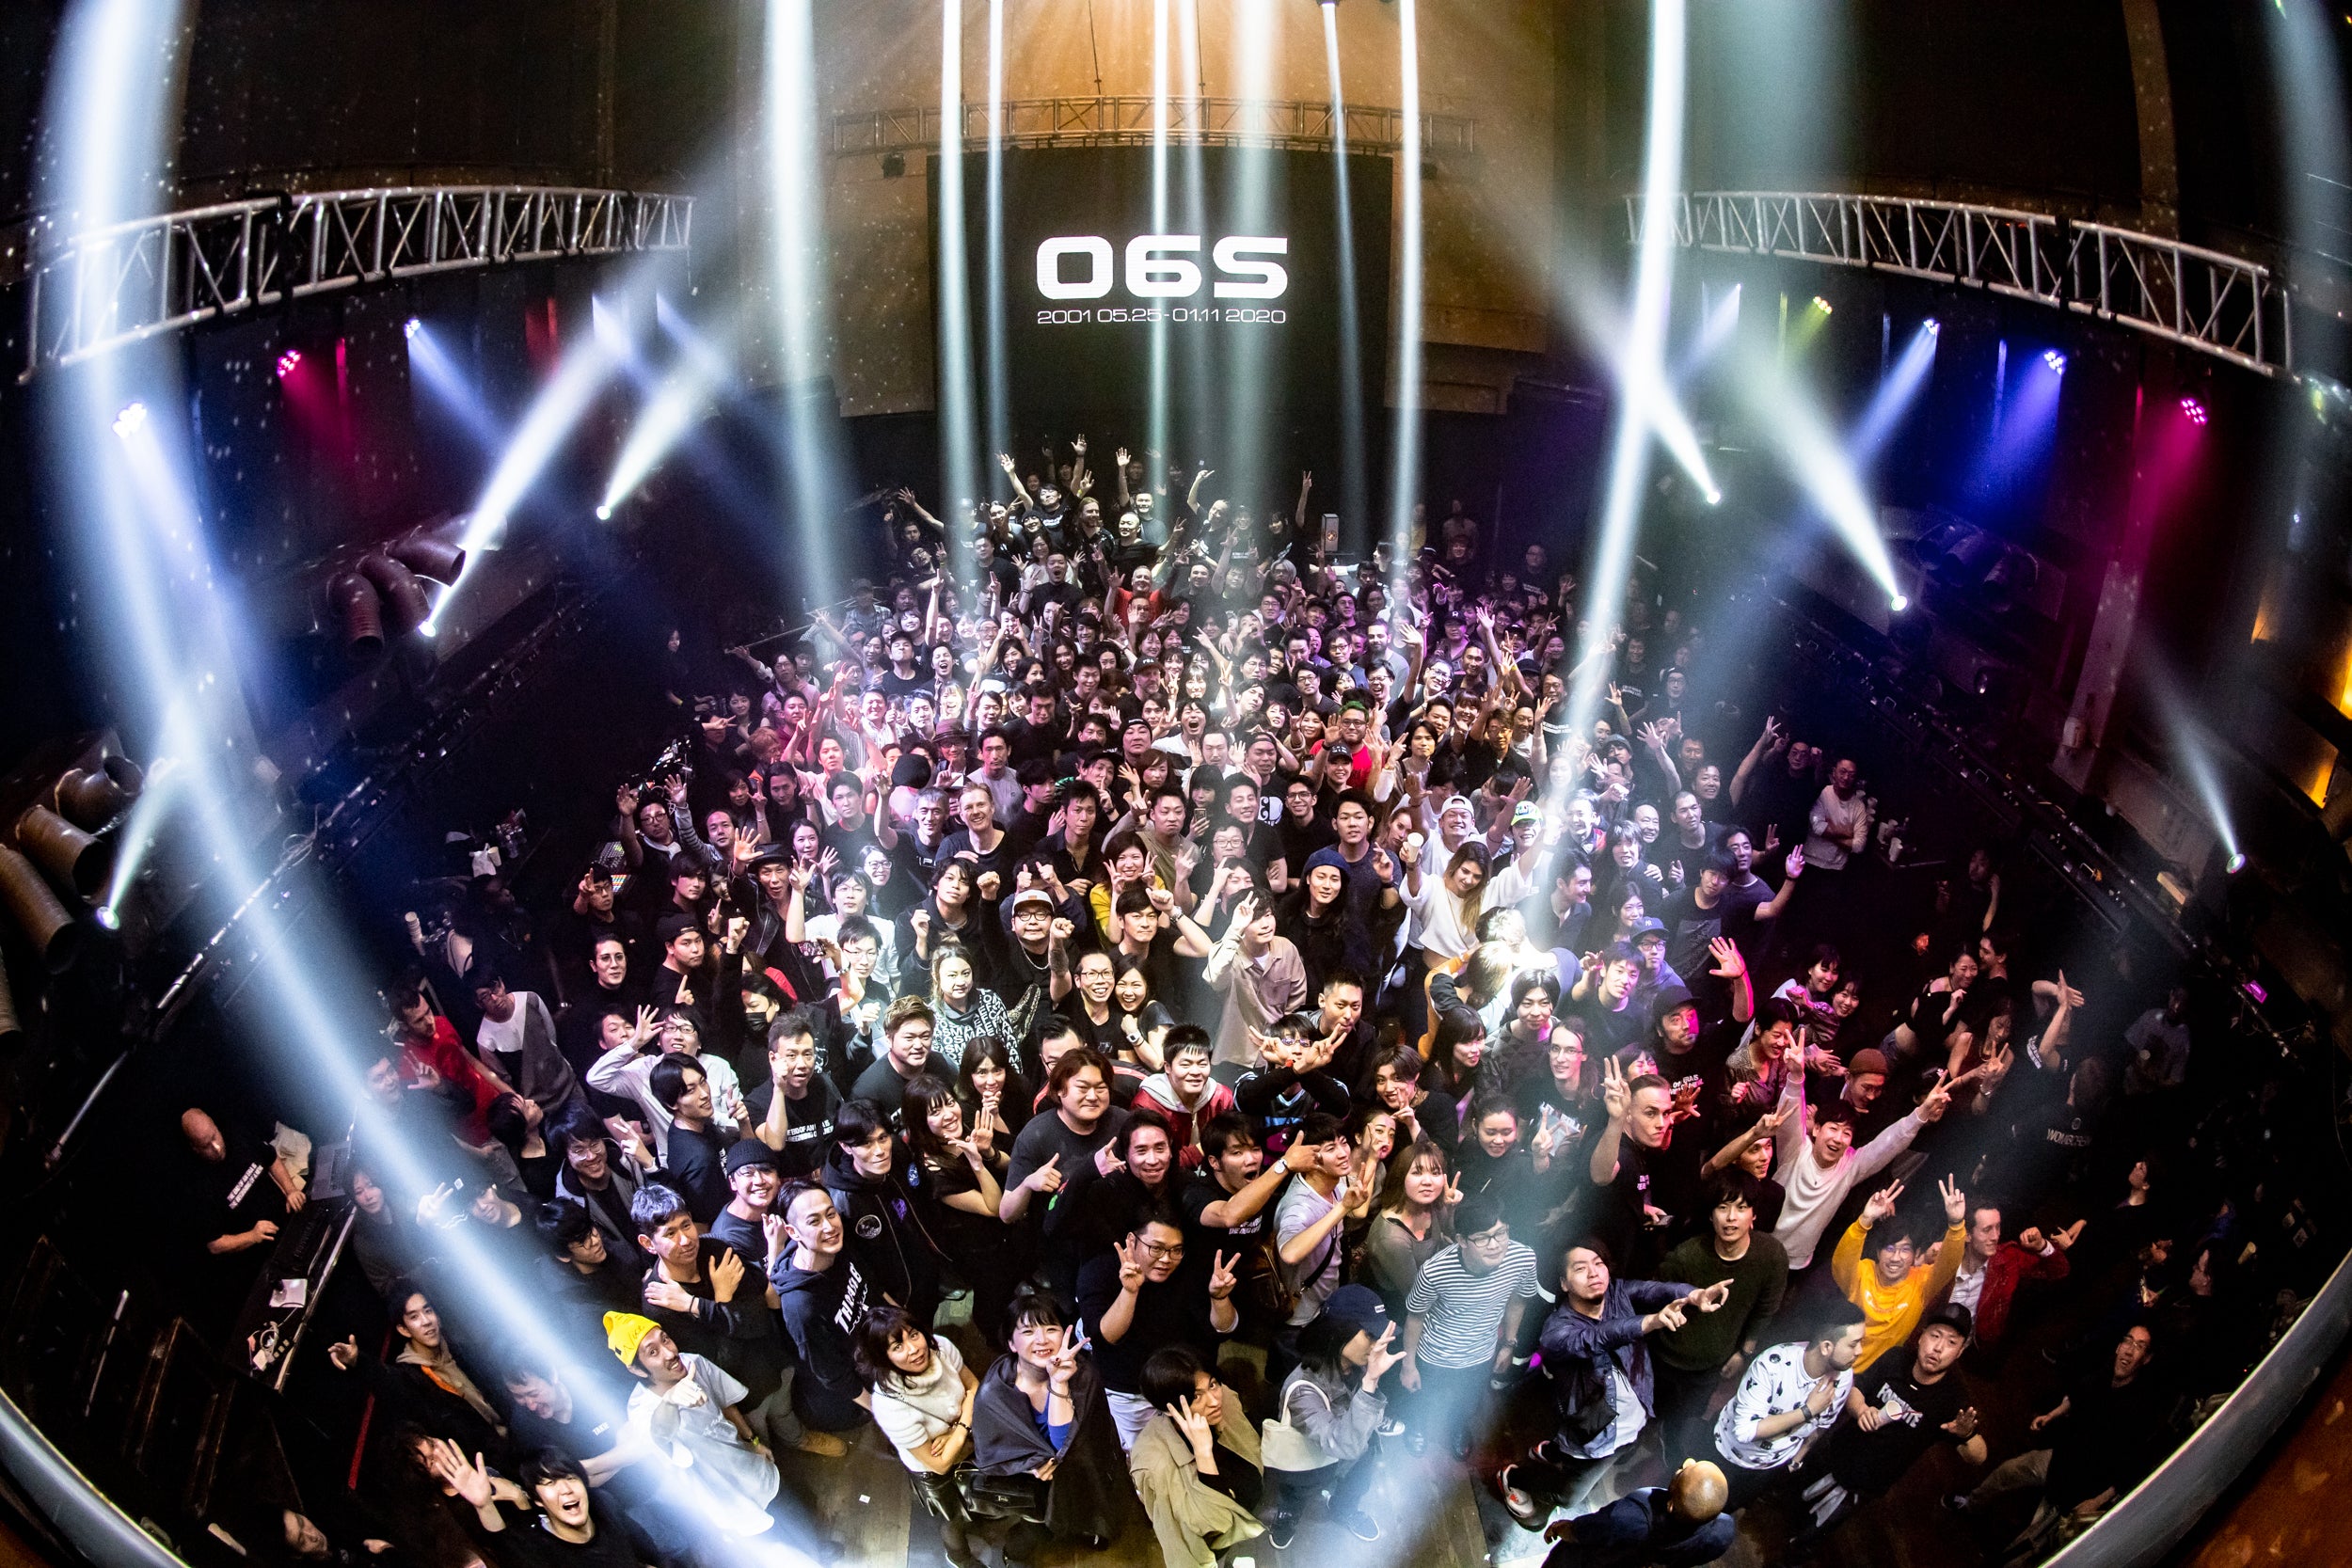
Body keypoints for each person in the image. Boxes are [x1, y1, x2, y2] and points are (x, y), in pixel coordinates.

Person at [1499, 1241, 1731, 1528]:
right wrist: (1649, 1322)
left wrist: (1694, 1295)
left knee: (1573, 1461)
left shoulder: (1618, 1292)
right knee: (1569, 1496)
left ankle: (1549, 1453)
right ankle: (1515, 1477)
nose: (1594, 1273)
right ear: (1564, 1283)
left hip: (1633, 1421)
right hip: (1592, 1433)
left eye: (1599, 1263)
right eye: (1580, 1268)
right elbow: (1597, 1338)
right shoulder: (1557, 1331)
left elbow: (1654, 1290)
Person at [1948, 1325, 2164, 1556]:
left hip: (2077, 1491)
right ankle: (1971, 1504)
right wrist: (2051, 1415)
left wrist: (2095, 1502)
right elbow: (2078, 1394)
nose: (2129, 1350)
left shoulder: (2139, 1409)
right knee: (2007, 1472)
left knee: (2027, 1547)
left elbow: (2132, 1467)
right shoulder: (2104, 1375)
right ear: (2118, 1347)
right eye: (2128, 1341)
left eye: (2139, 1346)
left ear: (2146, 1358)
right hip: (2059, 1459)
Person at [1790, 1302, 1985, 1550]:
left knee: (1810, 1536)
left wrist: (1966, 1434)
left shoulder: (1952, 1400)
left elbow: (1979, 1456)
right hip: (1835, 1452)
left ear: (1960, 1351)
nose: (1938, 1348)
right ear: (1922, 1336)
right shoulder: (1896, 1358)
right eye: (1935, 1336)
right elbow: (1856, 1389)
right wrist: (1861, 1410)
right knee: (1793, 1501)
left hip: (1864, 1485)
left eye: (1951, 1342)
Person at [971, 1285, 1144, 1560]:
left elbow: (1070, 1445)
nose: (1042, 1340)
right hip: (1031, 1485)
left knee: (1087, 1508)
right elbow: (991, 1452)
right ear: (1012, 1343)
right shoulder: (995, 1391)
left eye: (1051, 1329)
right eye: (1028, 1332)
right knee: (1036, 1532)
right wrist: (1028, 1466)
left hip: (1080, 1473)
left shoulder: (1083, 1375)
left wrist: (1059, 1382)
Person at [603, 1313, 780, 1539]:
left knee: (798, 1517)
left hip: (752, 1470)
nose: (670, 1353)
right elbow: (659, 1435)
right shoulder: (640, 1409)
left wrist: (753, 1442)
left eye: (665, 1339)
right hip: (728, 1504)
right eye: (653, 1352)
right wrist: (669, 1402)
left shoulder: (692, 1363)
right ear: (637, 1369)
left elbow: (726, 1404)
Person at [1653, 1174, 1791, 1463]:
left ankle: (1670, 1440)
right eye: (1723, 1207)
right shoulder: (1687, 1256)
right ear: (1711, 1216)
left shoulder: (1771, 1256)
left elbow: (1766, 1309)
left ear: (1754, 1215)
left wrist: (1744, 1352)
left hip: (1712, 1364)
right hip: (1668, 1358)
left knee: (1687, 1414)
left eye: (1741, 1208)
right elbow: (1654, 1294)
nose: (1731, 1218)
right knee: (1653, 1408)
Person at [1079, 1212, 1242, 1449]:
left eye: (1176, 1250)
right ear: (1132, 1240)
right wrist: (1130, 1292)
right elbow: (1105, 1338)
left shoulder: (1192, 1270)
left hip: (1192, 1390)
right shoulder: (1100, 1271)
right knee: (1145, 1454)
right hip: (1132, 1393)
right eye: (1156, 1248)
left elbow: (1223, 1330)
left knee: (1203, 1450)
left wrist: (1219, 1298)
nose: (1166, 1259)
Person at [1401, 1193, 1542, 1457]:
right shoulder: (1434, 1272)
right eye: (1482, 1238)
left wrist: (1508, 1344)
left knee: (1468, 1399)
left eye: (1501, 1233)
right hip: (1435, 1354)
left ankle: (1458, 1428)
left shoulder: (1523, 1258)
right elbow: (1415, 1317)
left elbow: (1518, 1300)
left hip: (1481, 1353)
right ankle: (1416, 1427)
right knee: (1421, 1396)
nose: (1495, 1245)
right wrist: (1408, 1366)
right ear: (1462, 1240)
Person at [1263, 1286, 1404, 1545]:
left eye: (1381, 1336)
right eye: (1370, 1335)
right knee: (1296, 1492)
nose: (1377, 1345)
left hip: (1358, 1449)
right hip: (1312, 1459)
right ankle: (1289, 1515)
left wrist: (1371, 1382)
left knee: (1357, 1483)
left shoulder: (1360, 1364)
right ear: (1340, 1330)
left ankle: (1344, 1509)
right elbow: (1341, 1444)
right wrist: (1370, 1382)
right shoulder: (1303, 1388)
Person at [856, 1305, 984, 1568]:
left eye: (913, 1335)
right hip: (935, 1471)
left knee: (977, 1494)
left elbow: (974, 1386)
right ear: (882, 1358)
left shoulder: (941, 1347)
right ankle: (959, 1558)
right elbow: (939, 1463)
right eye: (897, 1346)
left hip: (968, 1443)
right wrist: (964, 1424)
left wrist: (955, 1433)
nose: (914, 1348)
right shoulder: (890, 1404)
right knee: (952, 1518)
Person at [1712, 1305, 1868, 1511]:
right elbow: (1745, 1431)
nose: (1860, 1351)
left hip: (1768, 1469)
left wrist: (1796, 1461)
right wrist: (1807, 1411)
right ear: (1826, 1347)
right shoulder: (1772, 1365)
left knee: (1726, 1512)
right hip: (1726, 1455)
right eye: (1853, 1344)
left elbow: (1821, 1426)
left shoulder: (1844, 1377)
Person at [1128, 1346, 1264, 1568]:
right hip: (1211, 1545)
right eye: (1195, 1396)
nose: (1214, 1401)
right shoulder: (1154, 1464)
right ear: (1168, 1408)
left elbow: (1247, 1444)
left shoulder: (1225, 1400)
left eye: (1213, 1384)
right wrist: (1203, 1452)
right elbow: (1212, 1524)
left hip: (1243, 1519)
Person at [1830, 1175, 1970, 1372]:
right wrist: (1865, 1221)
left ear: (1916, 1255)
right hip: (1836, 1367)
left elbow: (1949, 1264)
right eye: (1889, 1248)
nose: (1896, 1258)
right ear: (1878, 1252)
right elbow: (1841, 1262)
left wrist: (1956, 1225)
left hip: (1874, 1379)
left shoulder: (1921, 1283)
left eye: (1905, 1250)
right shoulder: (1863, 1271)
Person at [769, 1181, 876, 1435]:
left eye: (831, 1214)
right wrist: (880, 1410)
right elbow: (833, 1374)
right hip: (857, 1391)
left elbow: (873, 1288)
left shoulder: (836, 1246)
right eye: (814, 1221)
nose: (829, 1227)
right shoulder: (801, 1306)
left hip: (880, 1356)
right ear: (793, 1232)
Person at [1535, 1459, 1736, 1568]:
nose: (1684, 1466)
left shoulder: (1633, 1514)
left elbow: (1587, 1531)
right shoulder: (1723, 1533)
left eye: (1682, 1474)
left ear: (1671, 1507)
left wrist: (1562, 1527)